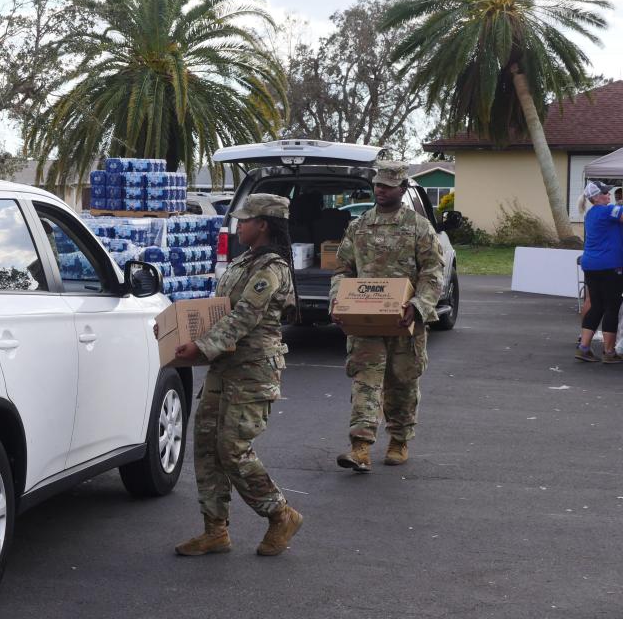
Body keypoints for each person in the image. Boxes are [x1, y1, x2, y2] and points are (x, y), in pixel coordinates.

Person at [171, 193, 303, 557]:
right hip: (224, 365)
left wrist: (201, 347)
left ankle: (280, 514)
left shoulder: (271, 268)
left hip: (253, 370)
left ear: (263, 224)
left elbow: (245, 316)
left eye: (245, 220)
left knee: (233, 449)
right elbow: (220, 310)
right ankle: (215, 530)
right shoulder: (244, 261)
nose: (239, 224)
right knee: (207, 445)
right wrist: (183, 333)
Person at [330, 161, 444, 472]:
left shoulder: (419, 227)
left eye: (388, 186)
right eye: (378, 185)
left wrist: (418, 306)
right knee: (365, 382)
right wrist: (339, 302)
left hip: (405, 321)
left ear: (402, 189)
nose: (380, 190)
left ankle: (399, 439)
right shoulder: (359, 226)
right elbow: (343, 270)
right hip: (366, 320)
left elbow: (433, 273)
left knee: (402, 381)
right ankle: (360, 446)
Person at [575, 181, 623, 363]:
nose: (609, 195)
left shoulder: (591, 214)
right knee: (612, 307)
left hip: (591, 265)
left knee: (597, 305)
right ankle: (609, 352)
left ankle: (584, 347)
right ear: (596, 197)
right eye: (605, 193)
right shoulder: (607, 210)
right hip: (610, 265)